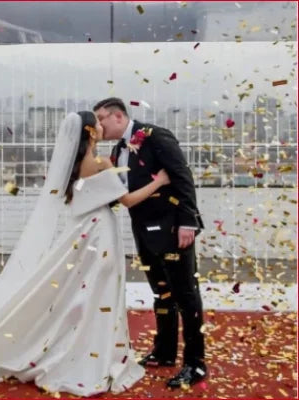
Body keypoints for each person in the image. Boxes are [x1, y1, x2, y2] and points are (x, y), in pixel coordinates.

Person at [0, 111, 171, 397]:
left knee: (82, 293)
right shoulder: (102, 163)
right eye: (98, 124)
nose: (103, 127)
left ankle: (80, 349)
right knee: (98, 294)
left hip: (83, 231)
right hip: (100, 233)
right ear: (91, 133)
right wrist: (160, 181)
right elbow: (127, 200)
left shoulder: (74, 166)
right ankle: (93, 353)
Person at [93, 98, 207, 388]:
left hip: (172, 228)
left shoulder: (156, 136)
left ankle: (195, 363)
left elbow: (182, 177)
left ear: (118, 116)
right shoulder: (118, 149)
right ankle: (165, 351)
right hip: (143, 231)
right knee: (162, 292)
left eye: (102, 118)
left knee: (186, 295)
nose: (99, 125)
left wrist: (188, 222)